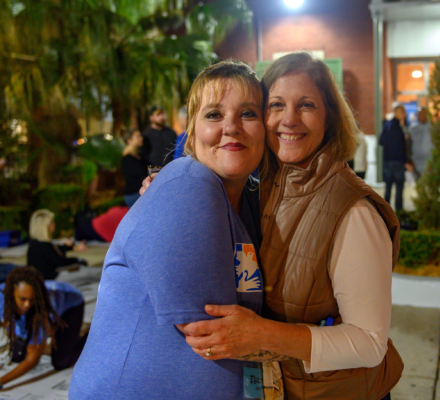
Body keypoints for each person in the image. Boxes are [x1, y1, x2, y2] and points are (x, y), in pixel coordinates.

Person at [172, 52, 403, 400]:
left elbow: (370, 343)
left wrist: (261, 334)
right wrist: (170, 183)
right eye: (276, 105)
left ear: (330, 118)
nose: (289, 120)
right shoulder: (265, 188)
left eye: (306, 105)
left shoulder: (354, 210)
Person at [69, 60, 266, 399]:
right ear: (191, 133)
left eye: (248, 113)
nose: (231, 126)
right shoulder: (191, 183)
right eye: (214, 115)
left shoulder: (251, 200)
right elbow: (212, 333)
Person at [0, 267, 87, 389]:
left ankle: (89, 335)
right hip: (51, 300)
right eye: (22, 299)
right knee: (18, 355)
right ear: (11, 292)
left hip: (71, 304)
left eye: (31, 299)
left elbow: (32, 360)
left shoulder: (42, 311)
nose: (27, 305)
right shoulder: (1, 298)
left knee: (61, 362)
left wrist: (1, 381)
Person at [27, 210, 87, 280]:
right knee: (88, 272)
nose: (54, 224)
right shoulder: (43, 245)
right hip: (50, 279)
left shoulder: (37, 243)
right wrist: (78, 260)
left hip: (46, 278)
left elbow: (55, 251)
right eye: (52, 222)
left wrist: (72, 247)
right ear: (45, 226)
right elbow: (61, 261)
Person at [380, 104, 409, 211]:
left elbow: (381, 141)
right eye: (402, 112)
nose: (404, 114)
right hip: (397, 163)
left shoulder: (387, 125)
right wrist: (405, 161)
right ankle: (399, 212)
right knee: (399, 189)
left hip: (388, 162)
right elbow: (399, 147)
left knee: (388, 189)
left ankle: (385, 213)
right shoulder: (397, 128)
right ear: (396, 112)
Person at [121, 128, 148, 208]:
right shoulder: (128, 158)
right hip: (134, 194)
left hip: (138, 193)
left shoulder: (137, 155)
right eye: (138, 136)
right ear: (129, 140)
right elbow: (142, 173)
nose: (141, 138)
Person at [409, 107, 433, 176]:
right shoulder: (412, 129)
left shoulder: (433, 129)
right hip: (416, 162)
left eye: (424, 114)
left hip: (430, 162)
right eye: (420, 114)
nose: (423, 116)